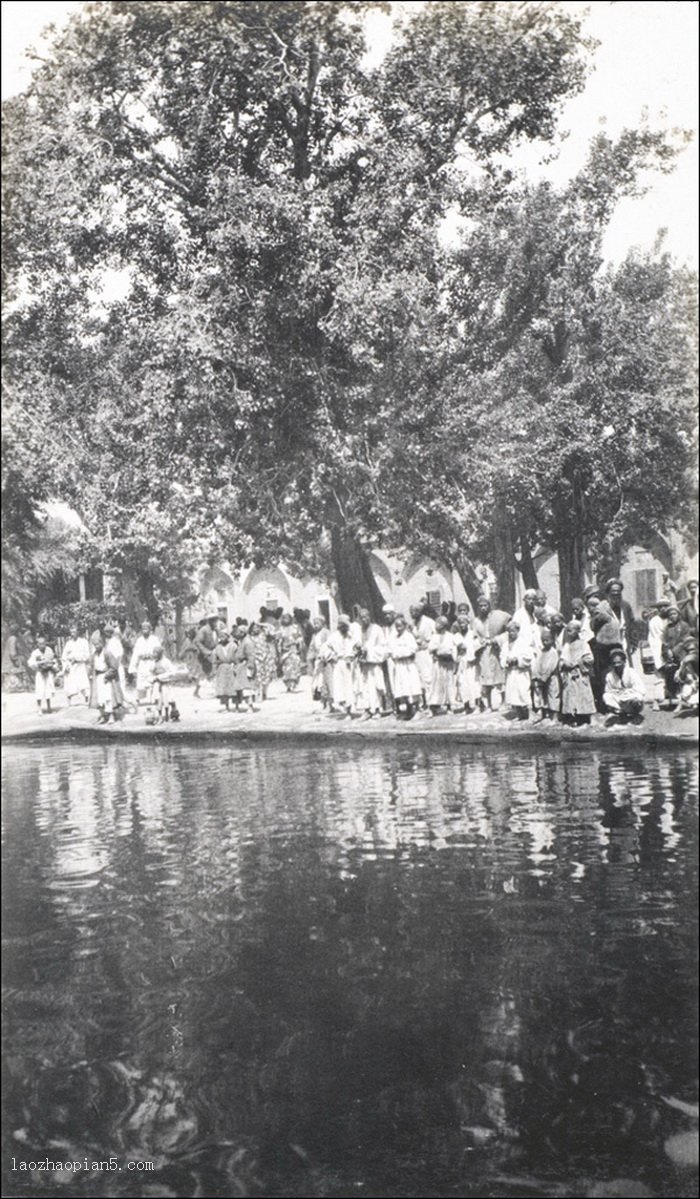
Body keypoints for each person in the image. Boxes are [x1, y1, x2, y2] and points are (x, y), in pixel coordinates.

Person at [472, 596, 510, 711]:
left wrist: (497, 639)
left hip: (496, 649)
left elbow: (508, 630)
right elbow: (473, 636)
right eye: (481, 606)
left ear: (489, 606)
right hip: (483, 652)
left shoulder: (499, 617)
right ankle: (488, 704)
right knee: (486, 677)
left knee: (499, 676)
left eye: (485, 605)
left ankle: (503, 702)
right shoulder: (476, 621)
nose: (483, 608)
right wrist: (479, 642)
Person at [559, 620, 596, 726]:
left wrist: (578, 662)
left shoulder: (584, 644)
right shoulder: (567, 645)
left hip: (580, 673)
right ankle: (572, 716)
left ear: (578, 631)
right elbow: (562, 659)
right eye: (568, 630)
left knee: (583, 694)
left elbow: (590, 658)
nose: (569, 632)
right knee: (570, 694)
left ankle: (586, 716)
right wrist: (565, 663)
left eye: (571, 630)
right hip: (570, 674)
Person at [387, 614, 421, 720]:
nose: (398, 628)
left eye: (400, 626)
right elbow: (391, 651)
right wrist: (396, 654)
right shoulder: (395, 637)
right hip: (399, 666)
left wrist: (400, 653)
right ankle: (409, 710)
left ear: (405, 626)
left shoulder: (408, 636)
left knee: (411, 686)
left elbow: (412, 649)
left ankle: (417, 710)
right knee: (403, 688)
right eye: (396, 626)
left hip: (407, 665)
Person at [355, 608, 388, 718]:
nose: (364, 619)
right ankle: (367, 710)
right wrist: (358, 650)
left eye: (366, 616)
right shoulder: (358, 630)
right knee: (364, 687)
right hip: (364, 665)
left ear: (369, 617)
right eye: (361, 617)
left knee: (376, 686)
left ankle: (378, 710)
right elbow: (355, 645)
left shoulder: (377, 629)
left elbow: (383, 646)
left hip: (374, 663)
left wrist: (369, 650)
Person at [603, 647, 646, 725]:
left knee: (637, 697)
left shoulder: (631, 672)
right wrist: (617, 692)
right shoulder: (609, 675)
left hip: (630, 698)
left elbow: (641, 690)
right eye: (614, 663)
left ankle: (635, 714)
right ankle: (622, 714)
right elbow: (608, 690)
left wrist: (627, 691)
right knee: (607, 696)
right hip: (619, 699)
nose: (616, 665)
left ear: (624, 662)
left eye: (619, 662)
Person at [326, 615, 358, 716]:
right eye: (342, 625)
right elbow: (326, 648)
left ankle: (350, 710)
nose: (344, 627)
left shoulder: (352, 636)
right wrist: (332, 657)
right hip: (339, 663)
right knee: (340, 687)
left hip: (350, 664)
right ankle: (345, 709)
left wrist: (353, 655)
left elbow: (358, 647)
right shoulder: (334, 637)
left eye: (346, 625)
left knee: (350, 686)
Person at [502, 620, 534, 721]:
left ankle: (530, 714)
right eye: (509, 631)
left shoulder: (522, 643)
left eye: (513, 631)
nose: (511, 633)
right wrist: (506, 661)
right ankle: (519, 714)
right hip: (511, 671)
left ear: (517, 631)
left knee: (523, 691)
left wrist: (517, 659)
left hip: (521, 672)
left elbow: (528, 657)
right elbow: (502, 656)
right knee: (513, 693)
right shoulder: (506, 644)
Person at [661, 605, 693, 705]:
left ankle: (687, 696)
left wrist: (674, 650)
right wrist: (667, 652)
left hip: (682, 653)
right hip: (671, 656)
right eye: (670, 614)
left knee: (684, 674)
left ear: (678, 615)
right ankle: (673, 696)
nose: (672, 616)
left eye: (674, 614)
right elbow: (664, 641)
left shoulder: (684, 626)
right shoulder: (667, 628)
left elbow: (685, 640)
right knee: (670, 674)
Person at [426, 616, 457, 715]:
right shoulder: (434, 636)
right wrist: (436, 653)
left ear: (444, 625)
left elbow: (454, 648)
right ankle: (434, 706)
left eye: (438, 623)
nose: (436, 625)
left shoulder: (450, 636)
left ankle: (449, 705)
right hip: (438, 664)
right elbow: (431, 649)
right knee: (436, 684)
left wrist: (451, 655)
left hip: (448, 663)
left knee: (448, 683)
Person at [531, 626, 561, 722]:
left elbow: (551, 666)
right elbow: (537, 663)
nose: (545, 642)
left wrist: (545, 677)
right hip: (541, 678)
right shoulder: (541, 651)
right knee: (543, 696)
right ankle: (544, 715)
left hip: (551, 678)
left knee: (553, 696)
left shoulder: (553, 652)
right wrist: (536, 675)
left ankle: (555, 717)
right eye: (543, 640)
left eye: (547, 640)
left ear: (552, 640)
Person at [453, 612, 481, 714]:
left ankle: (478, 705)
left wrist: (470, 650)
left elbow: (477, 646)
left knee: (474, 684)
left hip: (471, 662)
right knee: (463, 684)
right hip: (462, 663)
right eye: (460, 623)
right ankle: (467, 706)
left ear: (467, 623)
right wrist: (458, 650)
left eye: (464, 622)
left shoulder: (472, 634)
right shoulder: (456, 636)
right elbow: (454, 650)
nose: (462, 624)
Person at [128, 621, 163, 703]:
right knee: (141, 680)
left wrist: (157, 660)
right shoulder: (139, 640)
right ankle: (140, 698)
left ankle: (152, 698)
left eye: (146, 629)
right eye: (143, 629)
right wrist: (133, 667)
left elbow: (159, 650)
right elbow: (135, 654)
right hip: (142, 663)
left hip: (151, 662)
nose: (144, 630)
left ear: (150, 629)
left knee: (151, 679)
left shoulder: (154, 639)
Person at [410, 604, 436, 707]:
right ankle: (423, 703)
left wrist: (429, 644)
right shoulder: (413, 624)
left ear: (420, 611)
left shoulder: (428, 622)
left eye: (415, 611)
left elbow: (436, 634)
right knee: (419, 679)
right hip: (417, 654)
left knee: (428, 677)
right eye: (411, 612)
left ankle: (431, 703)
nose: (413, 614)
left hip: (427, 653)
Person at [604, 579, 637, 658]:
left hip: (624, 642)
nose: (616, 593)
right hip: (609, 645)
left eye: (618, 591)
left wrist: (633, 643)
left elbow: (632, 625)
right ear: (609, 592)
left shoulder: (626, 606)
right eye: (613, 591)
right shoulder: (604, 607)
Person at [230, 623, 258, 712]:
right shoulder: (241, 641)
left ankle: (250, 706)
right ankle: (242, 705)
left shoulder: (247, 642)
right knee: (241, 687)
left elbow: (251, 656)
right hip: (240, 667)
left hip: (246, 666)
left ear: (242, 633)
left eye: (238, 632)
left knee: (247, 687)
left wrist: (250, 668)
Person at [62, 624, 91, 705]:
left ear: (78, 632)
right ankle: (69, 701)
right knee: (70, 683)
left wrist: (77, 658)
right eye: (71, 632)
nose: (72, 634)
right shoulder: (68, 643)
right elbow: (64, 656)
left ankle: (87, 698)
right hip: (71, 665)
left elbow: (87, 655)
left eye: (74, 632)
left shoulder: (83, 642)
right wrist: (66, 665)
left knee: (83, 683)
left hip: (80, 665)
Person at [27, 635, 57, 714]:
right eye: (40, 644)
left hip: (48, 672)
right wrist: (39, 663)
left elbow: (53, 659)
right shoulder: (35, 652)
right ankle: (39, 708)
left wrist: (52, 665)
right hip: (40, 673)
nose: (42, 645)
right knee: (39, 690)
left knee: (48, 690)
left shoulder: (49, 650)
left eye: (43, 643)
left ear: (46, 643)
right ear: (37, 644)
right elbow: (30, 663)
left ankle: (49, 707)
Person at [250, 620, 277, 702]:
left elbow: (272, 629)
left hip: (267, 658)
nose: (256, 629)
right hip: (257, 658)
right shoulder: (250, 637)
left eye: (257, 627)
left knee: (267, 676)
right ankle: (259, 694)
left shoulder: (263, 635)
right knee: (258, 677)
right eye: (254, 628)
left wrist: (262, 624)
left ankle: (265, 692)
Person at [307, 617, 332, 708]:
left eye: (317, 623)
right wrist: (310, 658)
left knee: (326, 682)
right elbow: (312, 648)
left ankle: (330, 704)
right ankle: (323, 704)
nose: (316, 625)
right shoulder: (314, 635)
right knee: (318, 683)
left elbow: (329, 645)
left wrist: (325, 655)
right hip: (318, 661)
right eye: (314, 623)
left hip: (326, 660)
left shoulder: (326, 633)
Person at [276, 613, 303, 692]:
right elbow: (278, 641)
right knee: (286, 668)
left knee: (295, 667)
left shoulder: (295, 627)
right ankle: (288, 685)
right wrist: (280, 648)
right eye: (284, 618)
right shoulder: (281, 629)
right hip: (285, 651)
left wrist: (296, 642)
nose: (286, 620)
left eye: (287, 618)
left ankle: (294, 685)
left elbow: (300, 638)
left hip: (294, 649)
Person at [213, 629, 238, 710]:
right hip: (222, 669)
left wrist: (235, 665)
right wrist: (218, 663)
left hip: (232, 667)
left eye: (223, 636)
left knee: (234, 688)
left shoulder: (233, 646)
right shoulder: (218, 648)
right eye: (220, 636)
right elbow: (214, 660)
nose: (222, 638)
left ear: (227, 637)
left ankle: (236, 706)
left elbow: (237, 657)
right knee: (224, 689)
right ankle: (226, 706)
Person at [2, 625, 27, 692]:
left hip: (9, 664)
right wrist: (17, 661)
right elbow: (12, 653)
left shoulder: (10, 638)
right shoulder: (13, 639)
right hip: (12, 665)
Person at [195, 616, 219, 685]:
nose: (216, 623)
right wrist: (206, 652)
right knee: (205, 673)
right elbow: (197, 641)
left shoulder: (216, 630)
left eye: (216, 621)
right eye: (214, 621)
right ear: (210, 622)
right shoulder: (204, 630)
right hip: (205, 655)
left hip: (214, 654)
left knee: (214, 672)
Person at [182, 626, 205, 697]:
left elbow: (199, 649)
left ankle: (196, 691)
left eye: (191, 634)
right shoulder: (186, 641)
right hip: (189, 658)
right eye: (189, 634)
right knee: (191, 673)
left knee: (198, 676)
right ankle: (193, 688)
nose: (189, 635)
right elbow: (184, 649)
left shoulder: (197, 641)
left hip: (196, 659)